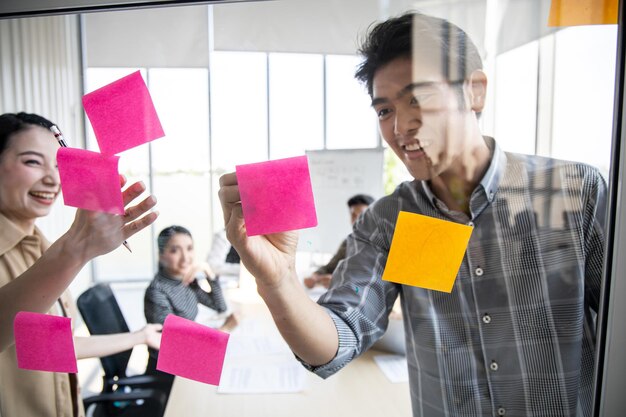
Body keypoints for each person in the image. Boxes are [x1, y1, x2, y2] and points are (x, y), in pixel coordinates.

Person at [218, 11, 606, 417]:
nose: (401, 126)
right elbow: (339, 339)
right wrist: (278, 279)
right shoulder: (393, 221)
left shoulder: (572, 192)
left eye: (419, 98)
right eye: (384, 111)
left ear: (474, 91)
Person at [0, 112, 161, 417]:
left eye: (59, 165)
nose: (53, 178)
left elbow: (52, 347)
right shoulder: (57, 254)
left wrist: (139, 337)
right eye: (33, 162)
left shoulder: (40, 246)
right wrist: (75, 249)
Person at [144, 225, 238, 388]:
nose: (185, 257)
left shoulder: (185, 280)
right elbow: (178, 345)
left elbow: (219, 306)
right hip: (170, 375)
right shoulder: (157, 292)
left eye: (189, 248)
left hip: (189, 360)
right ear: (161, 256)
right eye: (175, 250)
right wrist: (225, 329)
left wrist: (209, 273)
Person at [303, 194, 374, 289]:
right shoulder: (348, 242)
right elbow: (330, 267)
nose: (356, 220)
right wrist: (315, 276)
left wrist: (339, 281)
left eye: (361, 215)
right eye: (353, 215)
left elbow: (376, 280)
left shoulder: (382, 244)